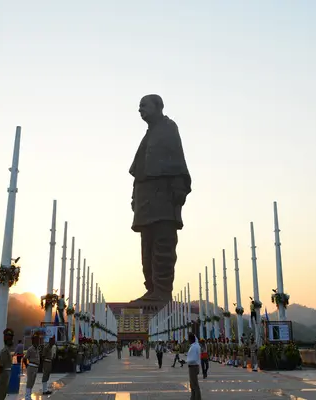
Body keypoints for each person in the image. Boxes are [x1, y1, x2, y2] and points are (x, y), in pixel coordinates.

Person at [130, 94, 192, 304]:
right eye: (139, 106)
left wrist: (178, 191)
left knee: (163, 246)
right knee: (146, 249)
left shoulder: (168, 129)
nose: (140, 109)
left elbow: (177, 162)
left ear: (158, 107)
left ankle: (162, 291)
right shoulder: (148, 135)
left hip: (164, 199)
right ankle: (152, 289)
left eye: (144, 105)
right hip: (145, 201)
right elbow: (138, 172)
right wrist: (134, 197)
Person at [0, 328, 14, 400]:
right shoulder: (4, 351)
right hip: (4, 374)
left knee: (3, 393)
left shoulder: (7, 350)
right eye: (10, 340)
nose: (12, 341)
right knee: (1, 394)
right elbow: (1, 366)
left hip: (6, 373)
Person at [23, 334, 40, 400]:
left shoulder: (37, 349)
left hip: (36, 367)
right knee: (29, 382)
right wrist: (27, 366)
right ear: (33, 341)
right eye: (36, 340)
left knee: (32, 382)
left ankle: (29, 395)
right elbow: (25, 358)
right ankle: (27, 397)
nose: (37, 342)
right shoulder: (30, 349)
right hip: (31, 366)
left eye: (38, 340)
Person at [186, 333, 202, 400]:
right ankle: (193, 397)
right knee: (192, 384)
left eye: (189, 339)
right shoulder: (194, 346)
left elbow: (194, 358)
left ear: (191, 339)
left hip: (193, 366)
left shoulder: (194, 347)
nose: (188, 340)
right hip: (192, 366)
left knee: (195, 384)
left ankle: (197, 398)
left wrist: (187, 361)